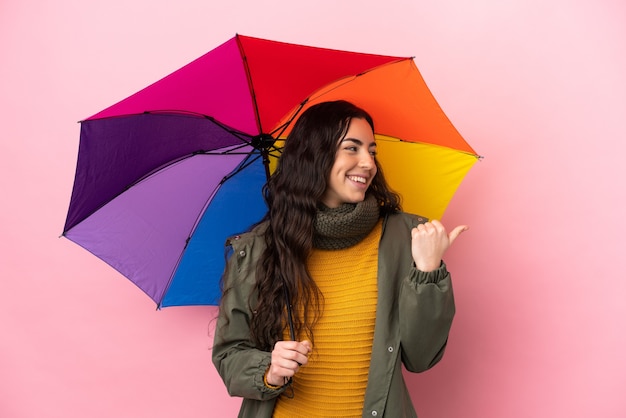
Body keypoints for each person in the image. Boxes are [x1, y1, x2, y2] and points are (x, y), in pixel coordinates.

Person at [212, 100, 467, 417]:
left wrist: (428, 273)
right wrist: (269, 368)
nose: (368, 163)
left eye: (372, 151)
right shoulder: (261, 248)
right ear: (315, 156)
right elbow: (229, 354)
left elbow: (421, 358)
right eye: (353, 148)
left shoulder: (407, 238)